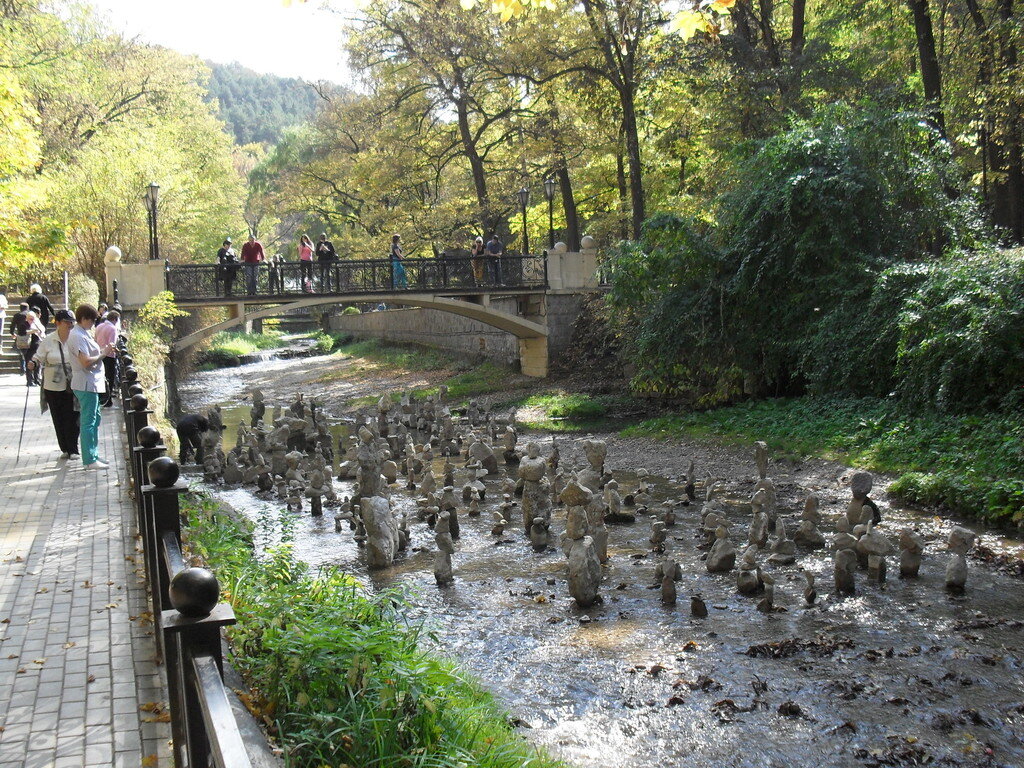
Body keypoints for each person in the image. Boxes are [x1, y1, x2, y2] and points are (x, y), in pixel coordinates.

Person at [67, 303, 114, 470]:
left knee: (95, 419)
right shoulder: (77, 336)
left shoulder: (82, 333)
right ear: (84, 319)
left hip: (91, 383)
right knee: (88, 421)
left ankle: (93, 454)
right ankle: (89, 459)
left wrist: (103, 350)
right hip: (86, 383)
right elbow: (85, 362)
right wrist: (104, 353)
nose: (93, 324)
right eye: (92, 320)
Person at [28, 309, 80, 459]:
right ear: (58, 323)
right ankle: (64, 447)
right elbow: (38, 356)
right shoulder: (49, 340)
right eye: (66, 322)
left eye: (72, 322)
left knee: (73, 416)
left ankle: (73, 449)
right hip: (52, 385)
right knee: (58, 417)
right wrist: (33, 363)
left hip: (72, 383)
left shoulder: (76, 338)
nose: (70, 325)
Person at [11, 304, 44, 386]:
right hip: (27, 346)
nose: (31, 320)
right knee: (29, 362)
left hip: (36, 344)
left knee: (37, 362)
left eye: (33, 319)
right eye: (30, 319)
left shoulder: (36, 323)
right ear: (27, 318)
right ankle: (29, 381)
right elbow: (21, 332)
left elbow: (42, 331)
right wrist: (31, 331)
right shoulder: (24, 324)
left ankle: (36, 379)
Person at [94, 310, 120, 407]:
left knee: (100, 377)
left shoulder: (99, 326)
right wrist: (117, 351)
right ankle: (107, 400)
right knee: (110, 377)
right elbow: (111, 344)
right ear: (115, 319)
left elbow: (95, 340)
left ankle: (101, 397)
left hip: (99, 354)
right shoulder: (112, 328)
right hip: (109, 356)